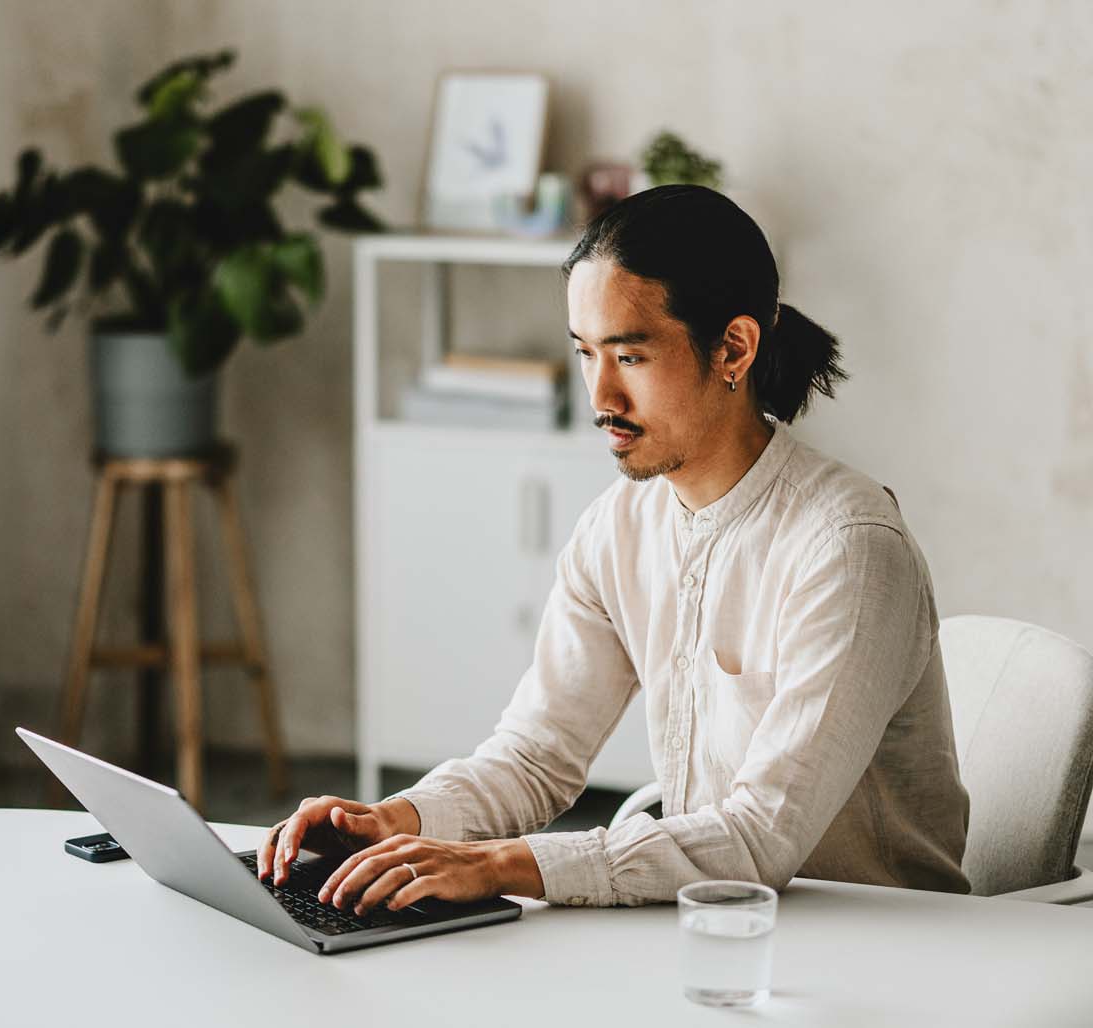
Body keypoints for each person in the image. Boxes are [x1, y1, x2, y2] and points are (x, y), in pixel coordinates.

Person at [256, 184, 972, 913]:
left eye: (628, 356)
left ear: (734, 348)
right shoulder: (617, 529)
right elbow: (537, 755)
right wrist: (396, 821)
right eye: (585, 353)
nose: (600, 396)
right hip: (718, 928)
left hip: (883, 949)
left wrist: (500, 864)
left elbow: (759, 837)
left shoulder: (847, 548)